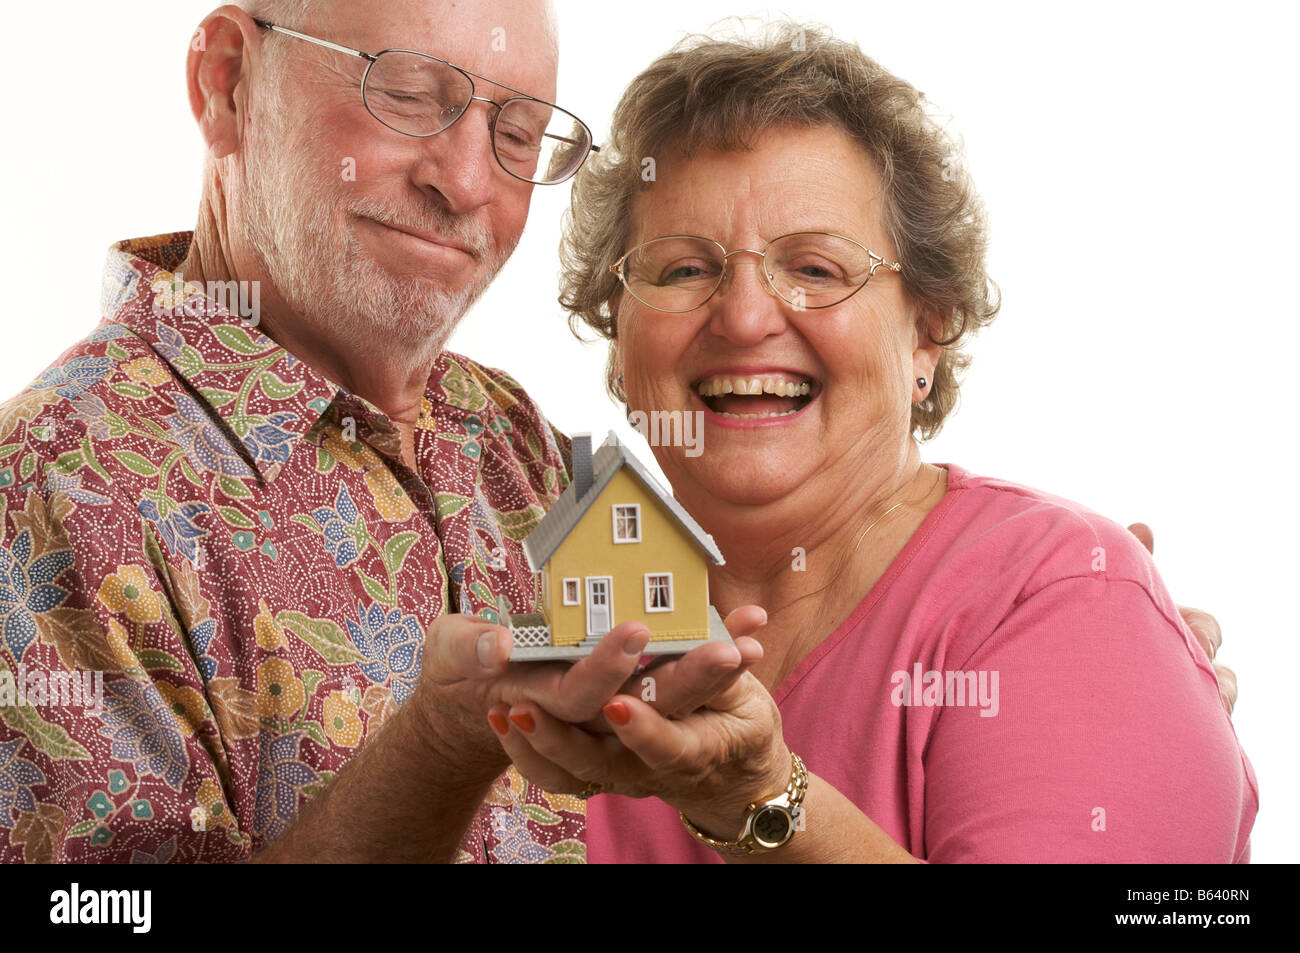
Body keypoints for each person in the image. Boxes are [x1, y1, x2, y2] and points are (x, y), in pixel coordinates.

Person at [0, 0, 750, 863]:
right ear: (227, 83)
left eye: (518, 132)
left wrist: (744, 785)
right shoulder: (51, 487)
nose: (466, 182)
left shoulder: (519, 441)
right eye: (405, 93)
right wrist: (440, 744)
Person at [487, 23, 1258, 862]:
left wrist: (760, 801)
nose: (745, 316)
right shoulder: (563, 632)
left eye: (816, 268)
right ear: (619, 331)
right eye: (682, 270)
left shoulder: (1063, 596)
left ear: (926, 333)